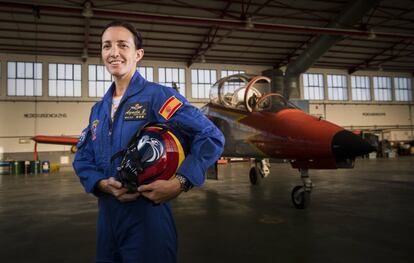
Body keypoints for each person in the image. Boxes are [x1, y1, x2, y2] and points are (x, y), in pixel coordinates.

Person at [73, 20, 224, 263]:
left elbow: (211, 136)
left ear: (138, 54)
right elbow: (83, 158)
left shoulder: (158, 97)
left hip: (147, 218)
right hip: (107, 219)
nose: (113, 53)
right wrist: (102, 184)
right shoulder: (98, 110)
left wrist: (181, 182)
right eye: (106, 46)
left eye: (123, 45)